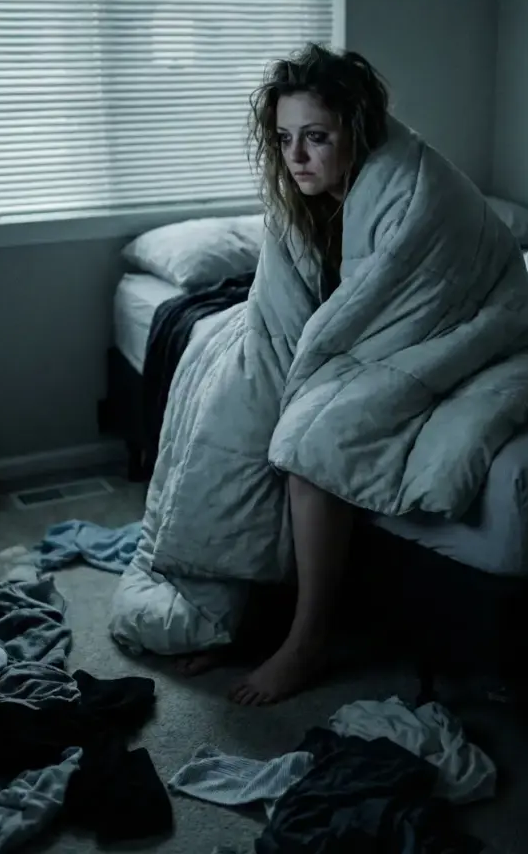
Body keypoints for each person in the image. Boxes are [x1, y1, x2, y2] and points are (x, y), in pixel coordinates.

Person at [177, 44, 390, 706]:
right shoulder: (294, 211)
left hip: (399, 358)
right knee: (235, 413)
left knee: (309, 448)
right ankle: (237, 609)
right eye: (284, 139)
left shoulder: (402, 204)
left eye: (316, 137)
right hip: (328, 356)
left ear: (356, 132)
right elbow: (283, 316)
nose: (295, 156)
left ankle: (307, 640)